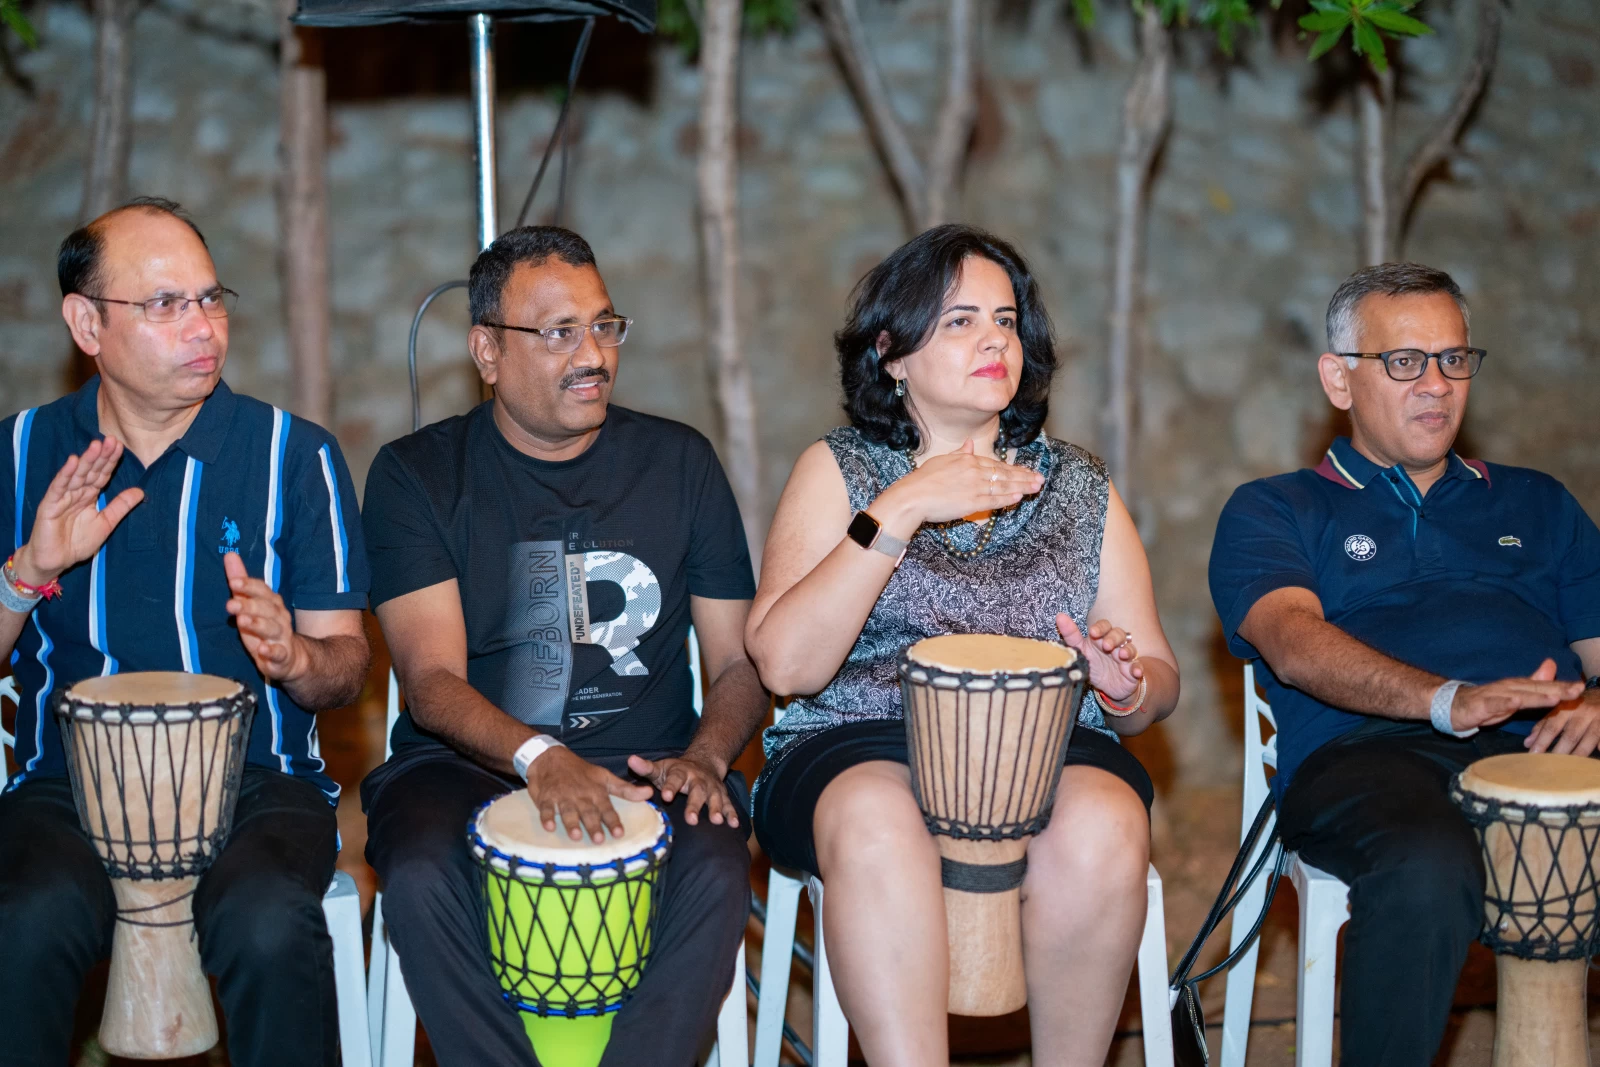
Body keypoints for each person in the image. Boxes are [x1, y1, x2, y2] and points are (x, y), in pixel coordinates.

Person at [746, 224, 1181, 1067]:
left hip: (1046, 745)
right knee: (876, 818)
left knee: (1106, 823)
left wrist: (1124, 683)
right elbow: (787, 666)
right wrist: (901, 509)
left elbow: (1157, 684)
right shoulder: (839, 472)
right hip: (856, 740)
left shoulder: (1079, 486)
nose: (994, 338)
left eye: (1007, 320)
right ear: (892, 354)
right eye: (959, 321)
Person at [361, 225, 765, 1066]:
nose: (593, 354)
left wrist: (707, 753)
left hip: (652, 762)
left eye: (604, 326)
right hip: (464, 764)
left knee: (718, 866)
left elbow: (737, 664)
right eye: (558, 333)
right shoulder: (417, 476)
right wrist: (540, 754)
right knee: (423, 873)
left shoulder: (680, 463)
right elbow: (430, 679)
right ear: (486, 350)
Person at [0, 197, 372, 1067]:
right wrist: (29, 568)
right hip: (68, 780)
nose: (203, 326)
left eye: (211, 299)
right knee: (22, 920)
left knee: (270, 927)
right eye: (165, 305)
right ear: (86, 322)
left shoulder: (294, 455)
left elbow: (345, 670)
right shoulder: (22, 455)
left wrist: (294, 653)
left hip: (257, 783)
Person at [1208, 261, 1599, 1066]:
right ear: (1339, 379)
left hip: (1548, 747)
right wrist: (1446, 698)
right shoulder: (1276, 507)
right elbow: (1291, 639)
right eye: (1405, 361)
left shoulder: (1538, 502)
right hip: (1370, 757)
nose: (1437, 384)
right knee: (1426, 863)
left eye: (1455, 359)